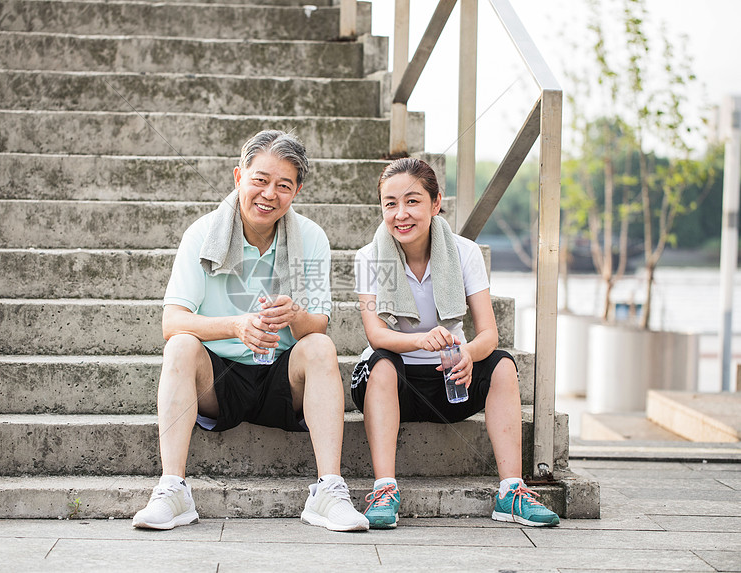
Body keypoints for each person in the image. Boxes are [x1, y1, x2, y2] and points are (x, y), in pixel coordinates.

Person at [133, 130, 369, 532]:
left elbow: (319, 324)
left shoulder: (310, 238)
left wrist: (295, 313)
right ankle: (173, 489)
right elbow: (171, 322)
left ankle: (329, 490)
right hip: (218, 379)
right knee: (180, 346)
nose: (269, 194)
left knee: (320, 345)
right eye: (260, 180)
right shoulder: (201, 235)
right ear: (239, 177)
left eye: (284, 185)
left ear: (296, 192)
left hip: (282, 377)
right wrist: (234, 326)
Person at [351, 157, 560, 529]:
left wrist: (467, 353)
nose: (401, 213)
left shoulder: (464, 253)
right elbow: (375, 335)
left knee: (502, 364)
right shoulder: (370, 258)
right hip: (392, 384)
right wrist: (419, 340)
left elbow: (488, 334)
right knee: (381, 360)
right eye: (390, 203)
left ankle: (511, 492)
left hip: (451, 381)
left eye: (413, 201)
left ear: (435, 203)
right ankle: (385, 491)